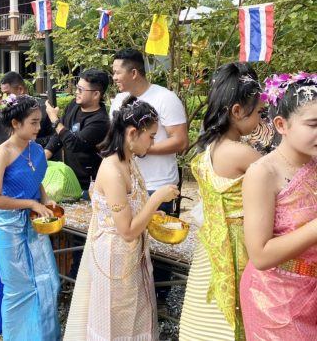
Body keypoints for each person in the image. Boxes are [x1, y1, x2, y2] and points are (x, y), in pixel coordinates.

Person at [64, 96, 179, 341]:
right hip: (114, 256)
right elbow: (126, 231)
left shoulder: (129, 160)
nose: (153, 142)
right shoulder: (112, 169)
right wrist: (156, 199)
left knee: (135, 315)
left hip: (130, 254)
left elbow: (132, 209)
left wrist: (149, 212)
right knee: (113, 320)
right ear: (132, 133)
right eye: (151, 136)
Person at [179, 63, 263, 341]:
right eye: (260, 113)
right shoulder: (241, 154)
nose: (261, 121)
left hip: (211, 246)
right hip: (237, 245)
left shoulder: (209, 149)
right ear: (237, 112)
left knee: (206, 314)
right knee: (239, 316)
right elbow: (282, 180)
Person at [240, 73, 317, 339]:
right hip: (275, 299)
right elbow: (260, 255)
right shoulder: (263, 173)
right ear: (281, 124)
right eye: (313, 124)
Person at [0, 95, 61, 340]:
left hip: (34, 224)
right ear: (16, 123)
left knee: (47, 282)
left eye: (40, 122)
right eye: (33, 122)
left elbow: (36, 180)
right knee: (19, 289)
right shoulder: (3, 152)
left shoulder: (36, 148)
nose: (39, 128)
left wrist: (45, 197)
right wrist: (31, 203)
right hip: (9, 227)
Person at [111, 48, 189, 215]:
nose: (114, 78)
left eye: (117, 73)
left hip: (156, 185)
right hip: (127, 184)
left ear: (133, 73)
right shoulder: (118, 100)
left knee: (153, 239)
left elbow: (181, 141)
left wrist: (141, 149)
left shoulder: (165, 98)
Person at [44, 69, 110, 195]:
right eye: (77, 88)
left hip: (89, 186)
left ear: (96, 94)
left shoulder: (100, 121)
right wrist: (43, 157)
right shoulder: (74, 105)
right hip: (69, 180)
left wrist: (54, 119)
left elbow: (74, 144)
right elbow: (59, 135)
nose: (76, 92)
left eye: (81, 90)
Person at [0, 71, 53, 148]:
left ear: (20, 89)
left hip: (31, 157)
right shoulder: (4, 107)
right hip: (5, 157)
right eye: (3, 94)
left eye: (7, 94)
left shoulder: (42, 108)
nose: (4, 98)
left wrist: (30, 142)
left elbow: (54, 138)